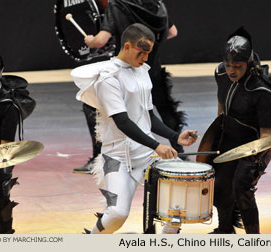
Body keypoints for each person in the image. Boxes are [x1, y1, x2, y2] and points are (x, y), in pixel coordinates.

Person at [72, 23, 197, 234]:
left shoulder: (142, 71)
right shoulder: (108, 78)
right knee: (117, 215)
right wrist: (157, 145)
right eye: (142, 52)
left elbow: (147, 116)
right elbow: (123, 122)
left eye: (148, 53)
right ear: (127, 46)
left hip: (146, 153)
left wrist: (175, 136)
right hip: (117, 157)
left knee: (178, 206)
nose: (146, 58)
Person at [74, 0, 186, 173]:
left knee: (94, 106)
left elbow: (101, 40)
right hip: (153, 69)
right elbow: (173, 32)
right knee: (165, 108)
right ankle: (179, 151)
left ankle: (98, 157)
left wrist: (91, 40)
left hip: (128, 70)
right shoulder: (157, 5)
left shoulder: (117, 4)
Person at [200, 27, 271, 234]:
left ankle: (253, 239)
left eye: (237, 66)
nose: (231, 71)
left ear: (248, 62)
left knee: (241, 189)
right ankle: (225, 230)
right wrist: (217, 129)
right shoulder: (220, 72)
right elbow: (222, 103)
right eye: (228, 65)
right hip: (228, 136)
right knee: (220, 187)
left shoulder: (262, 90)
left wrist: (255, 158)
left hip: (255, 143)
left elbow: (266, 134)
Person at [0, 45, 35, 234]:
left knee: (0, 201)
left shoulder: (8, 105)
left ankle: (5, 241)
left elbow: (6, 144)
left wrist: (2, 166)